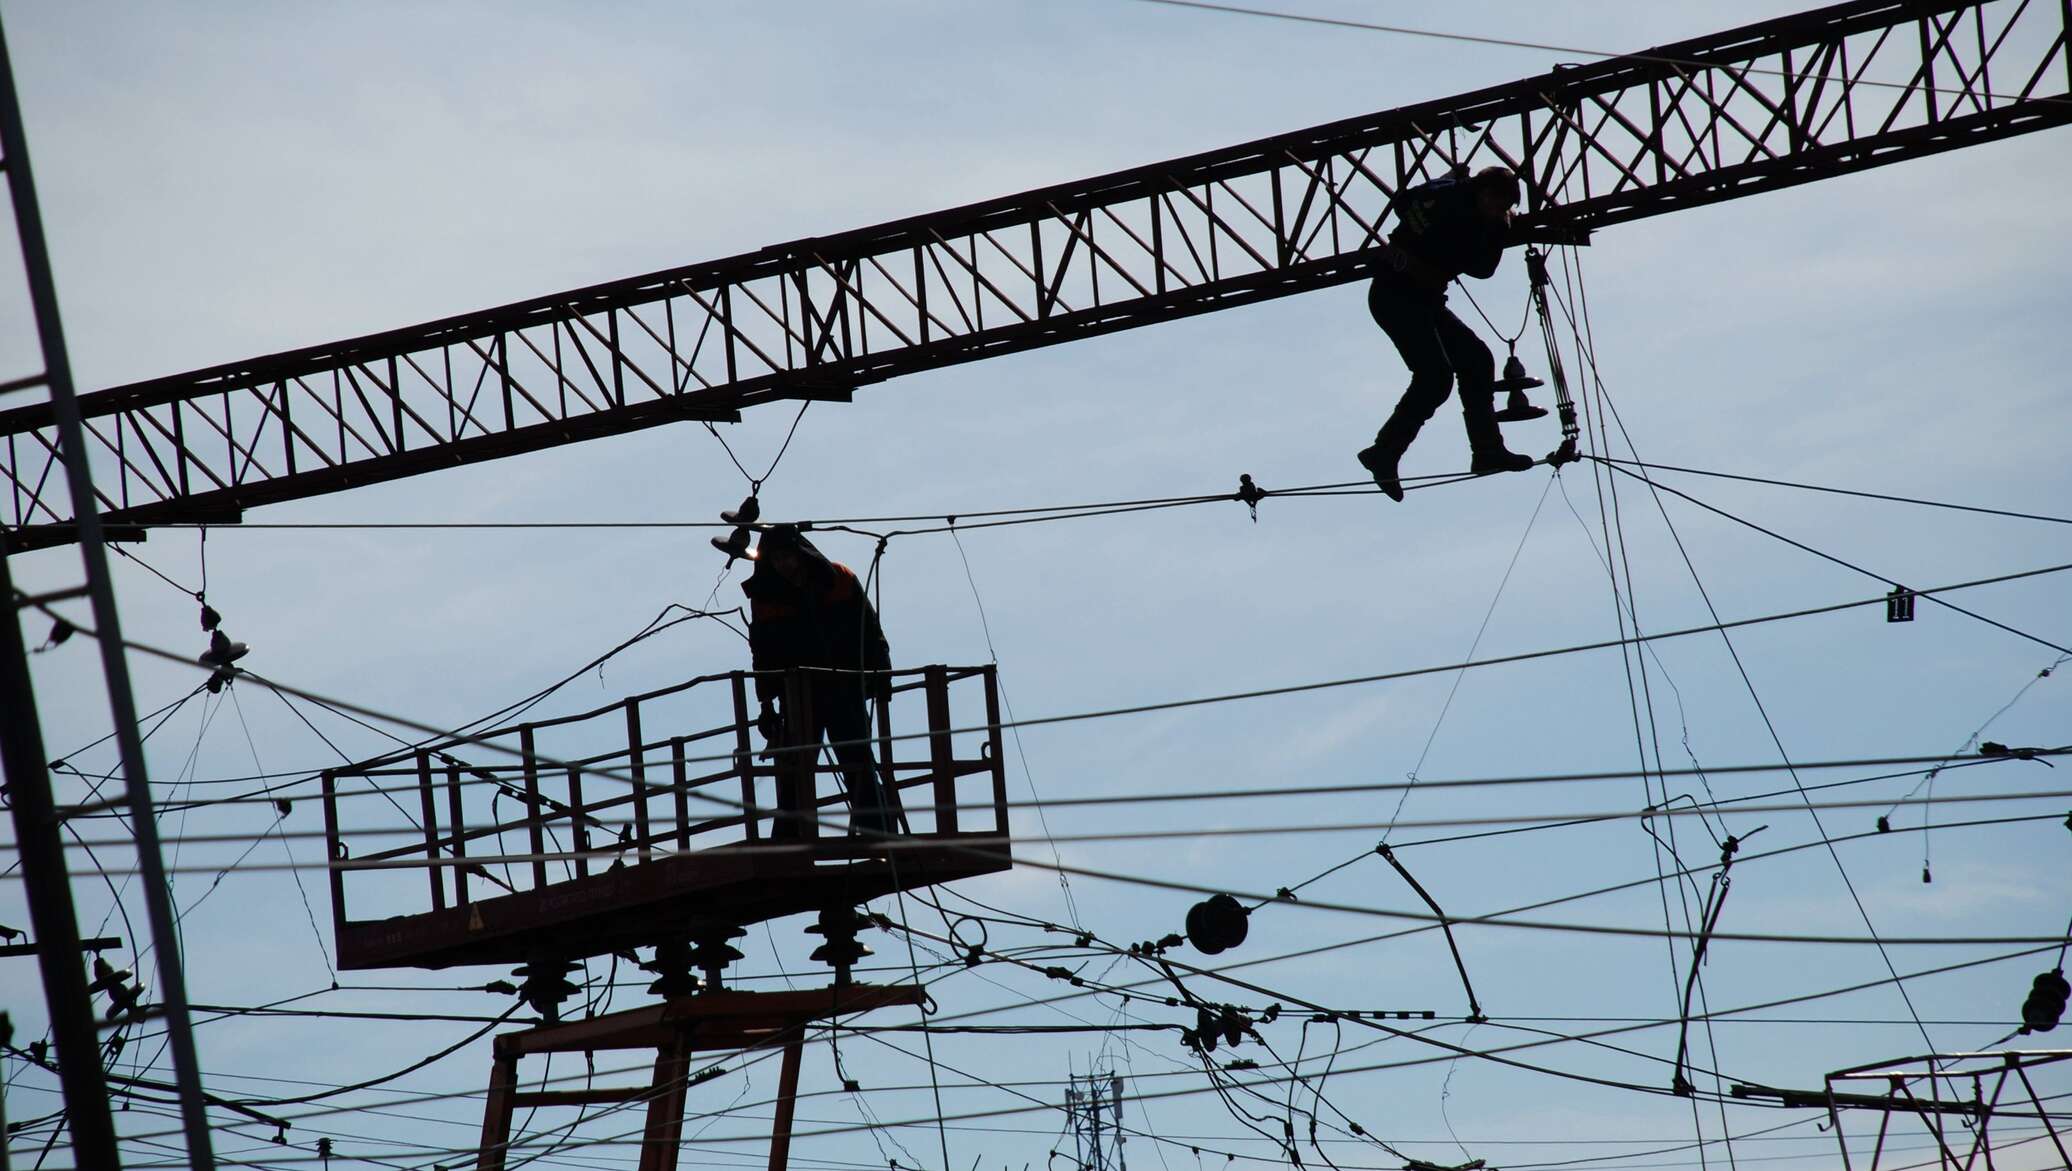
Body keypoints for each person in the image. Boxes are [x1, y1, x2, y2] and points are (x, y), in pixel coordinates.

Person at [1358, 165, 1536, 502]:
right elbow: (1481, 268)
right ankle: (1384, 452)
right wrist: (1498, 228)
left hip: (1419, 300)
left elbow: (1405, 202)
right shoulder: (1457, 209)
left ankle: (1487, 450)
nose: (1500, 212)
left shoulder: (1455, 199)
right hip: (1396, 296)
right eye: (1498, 205)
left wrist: (1451, 185)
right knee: (1435, 377)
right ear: (1484, 194)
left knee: (1477, 360)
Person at [740, 525, 902, 835]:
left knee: (857, 761)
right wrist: (766, 704)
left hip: (844, 688)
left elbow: (870, 630)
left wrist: (882, 673)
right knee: (795, 769)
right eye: (777, 559)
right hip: (798, 694)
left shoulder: (840, 579)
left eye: (788, 556)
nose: (785, 564)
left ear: (801, 553)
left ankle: (877, 830)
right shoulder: (765, 598)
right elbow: (762, 655)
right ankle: (789, 839)